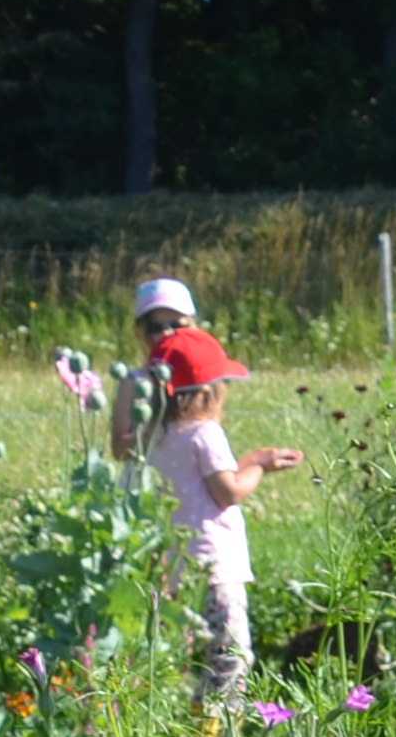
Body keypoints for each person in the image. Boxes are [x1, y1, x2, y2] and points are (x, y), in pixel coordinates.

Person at [125, 279, 298, 700]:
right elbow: (228, 491)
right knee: (227, 662)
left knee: (179, 665)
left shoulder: (154, 438)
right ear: (210, 389)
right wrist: (258, 464)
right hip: (214, 573)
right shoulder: (205, 434)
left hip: (169, 570)